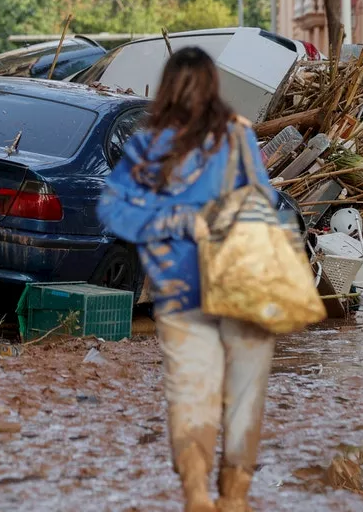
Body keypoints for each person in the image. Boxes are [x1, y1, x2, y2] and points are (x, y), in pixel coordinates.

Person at [98, 48, 279, 512]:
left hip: (180, 294)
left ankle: (198, 494)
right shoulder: (238, 136)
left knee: (192, 395)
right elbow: (266, 199)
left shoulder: (149, 143)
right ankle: (233, 497)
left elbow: (115, 211)